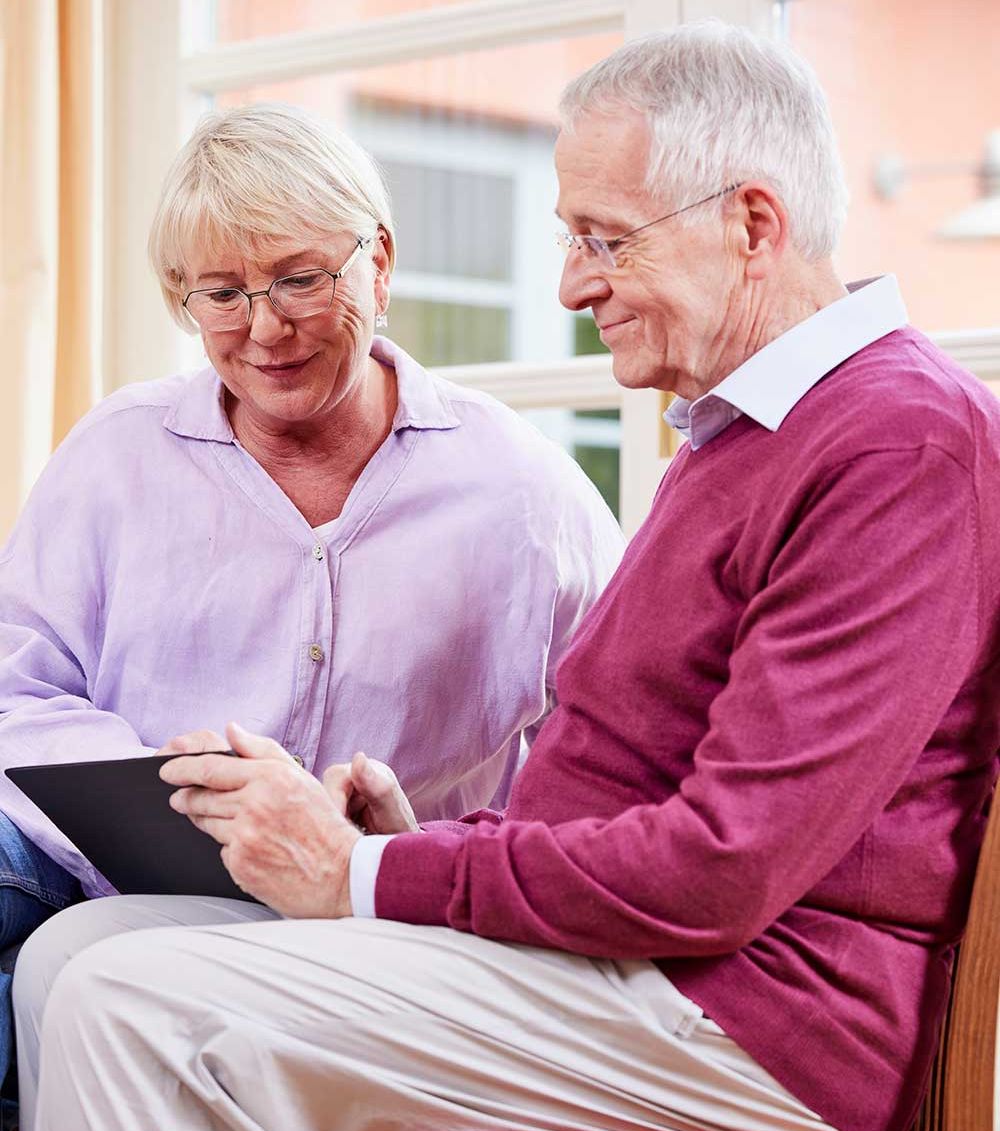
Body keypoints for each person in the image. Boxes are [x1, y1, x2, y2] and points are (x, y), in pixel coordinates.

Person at [14, 20, 1000, 1131]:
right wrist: (422, 834)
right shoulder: (749, 435)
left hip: (748, 1016)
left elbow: (722, 867)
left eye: (605, 238)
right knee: (75, 957)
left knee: (139, 1013)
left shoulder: (893, 444)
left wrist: (371, 868)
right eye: (571, 240)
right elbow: (652, 793)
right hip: (650, 975)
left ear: (753, 223)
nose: (572, 287)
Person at [0, 103, 623, 1066]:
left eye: (299, 279)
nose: (263, 328)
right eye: (219, 293)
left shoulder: (523, 488)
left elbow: (612, 755)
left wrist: (451, 876)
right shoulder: (117, 456)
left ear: (377, 261)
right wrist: (171, 794)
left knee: (61, 987)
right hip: (115, 879)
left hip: (381, 924)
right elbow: (17, 687)